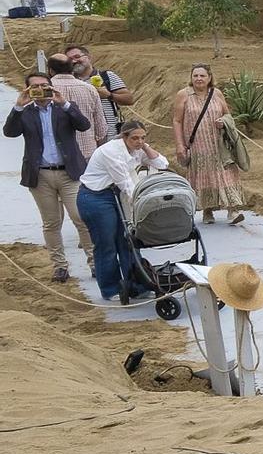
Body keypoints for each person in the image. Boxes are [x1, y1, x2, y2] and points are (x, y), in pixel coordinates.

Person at [5, 70, 96, 281]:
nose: (40, 90)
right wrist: (19, 105)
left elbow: (84, 125)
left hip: (69, 173)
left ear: (51, 86)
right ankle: (60, 266)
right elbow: (10, 132)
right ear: (27, 89)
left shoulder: (64, 108)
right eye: (34, 86)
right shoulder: (25, 112)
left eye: (43, 85)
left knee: (81, 219)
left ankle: (94, 263)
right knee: (51, 223)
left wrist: (64, 103)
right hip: (41, 175)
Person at [76, 120, 170, 301]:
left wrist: (146, 148)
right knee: (107, 244)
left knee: (127, 240)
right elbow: (125, 183)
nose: (139, 141)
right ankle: (111, 289)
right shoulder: (111, 151)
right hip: (96, 197)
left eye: (143, 137)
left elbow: (162, 164)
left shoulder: (137, 149)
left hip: (116, 196)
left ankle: (137, 284)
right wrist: (144, 204)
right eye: (135, 138)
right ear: (123, 136)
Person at [173, 63, 246, 224]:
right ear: (191, 78)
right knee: (204, 176)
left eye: (202, 76)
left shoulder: (217, 94)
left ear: (209, 77)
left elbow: (228, 115)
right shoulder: (183, 95)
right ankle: (207, 211)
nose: (199, 79)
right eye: (195, 76)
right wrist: (180, 145)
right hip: (198, 145)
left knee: (226, 173)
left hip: (219, 145)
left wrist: (223, 121)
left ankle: (233, 210)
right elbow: (177, 121)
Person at [45, 54, 110, 156]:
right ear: (72, 69)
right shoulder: (90, 89)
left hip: (54, 157)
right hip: (86, 153)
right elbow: (101, 129)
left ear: (50, 70)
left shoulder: (45, 91)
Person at [66, 44, 132, 131]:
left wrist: (109, 95)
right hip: (82, 136)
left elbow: (129, 99)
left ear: (89, 57)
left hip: (109, 134)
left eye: (77, 57)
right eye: (70, 59)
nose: (74, 61)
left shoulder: (107, 76)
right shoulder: (67, 82)